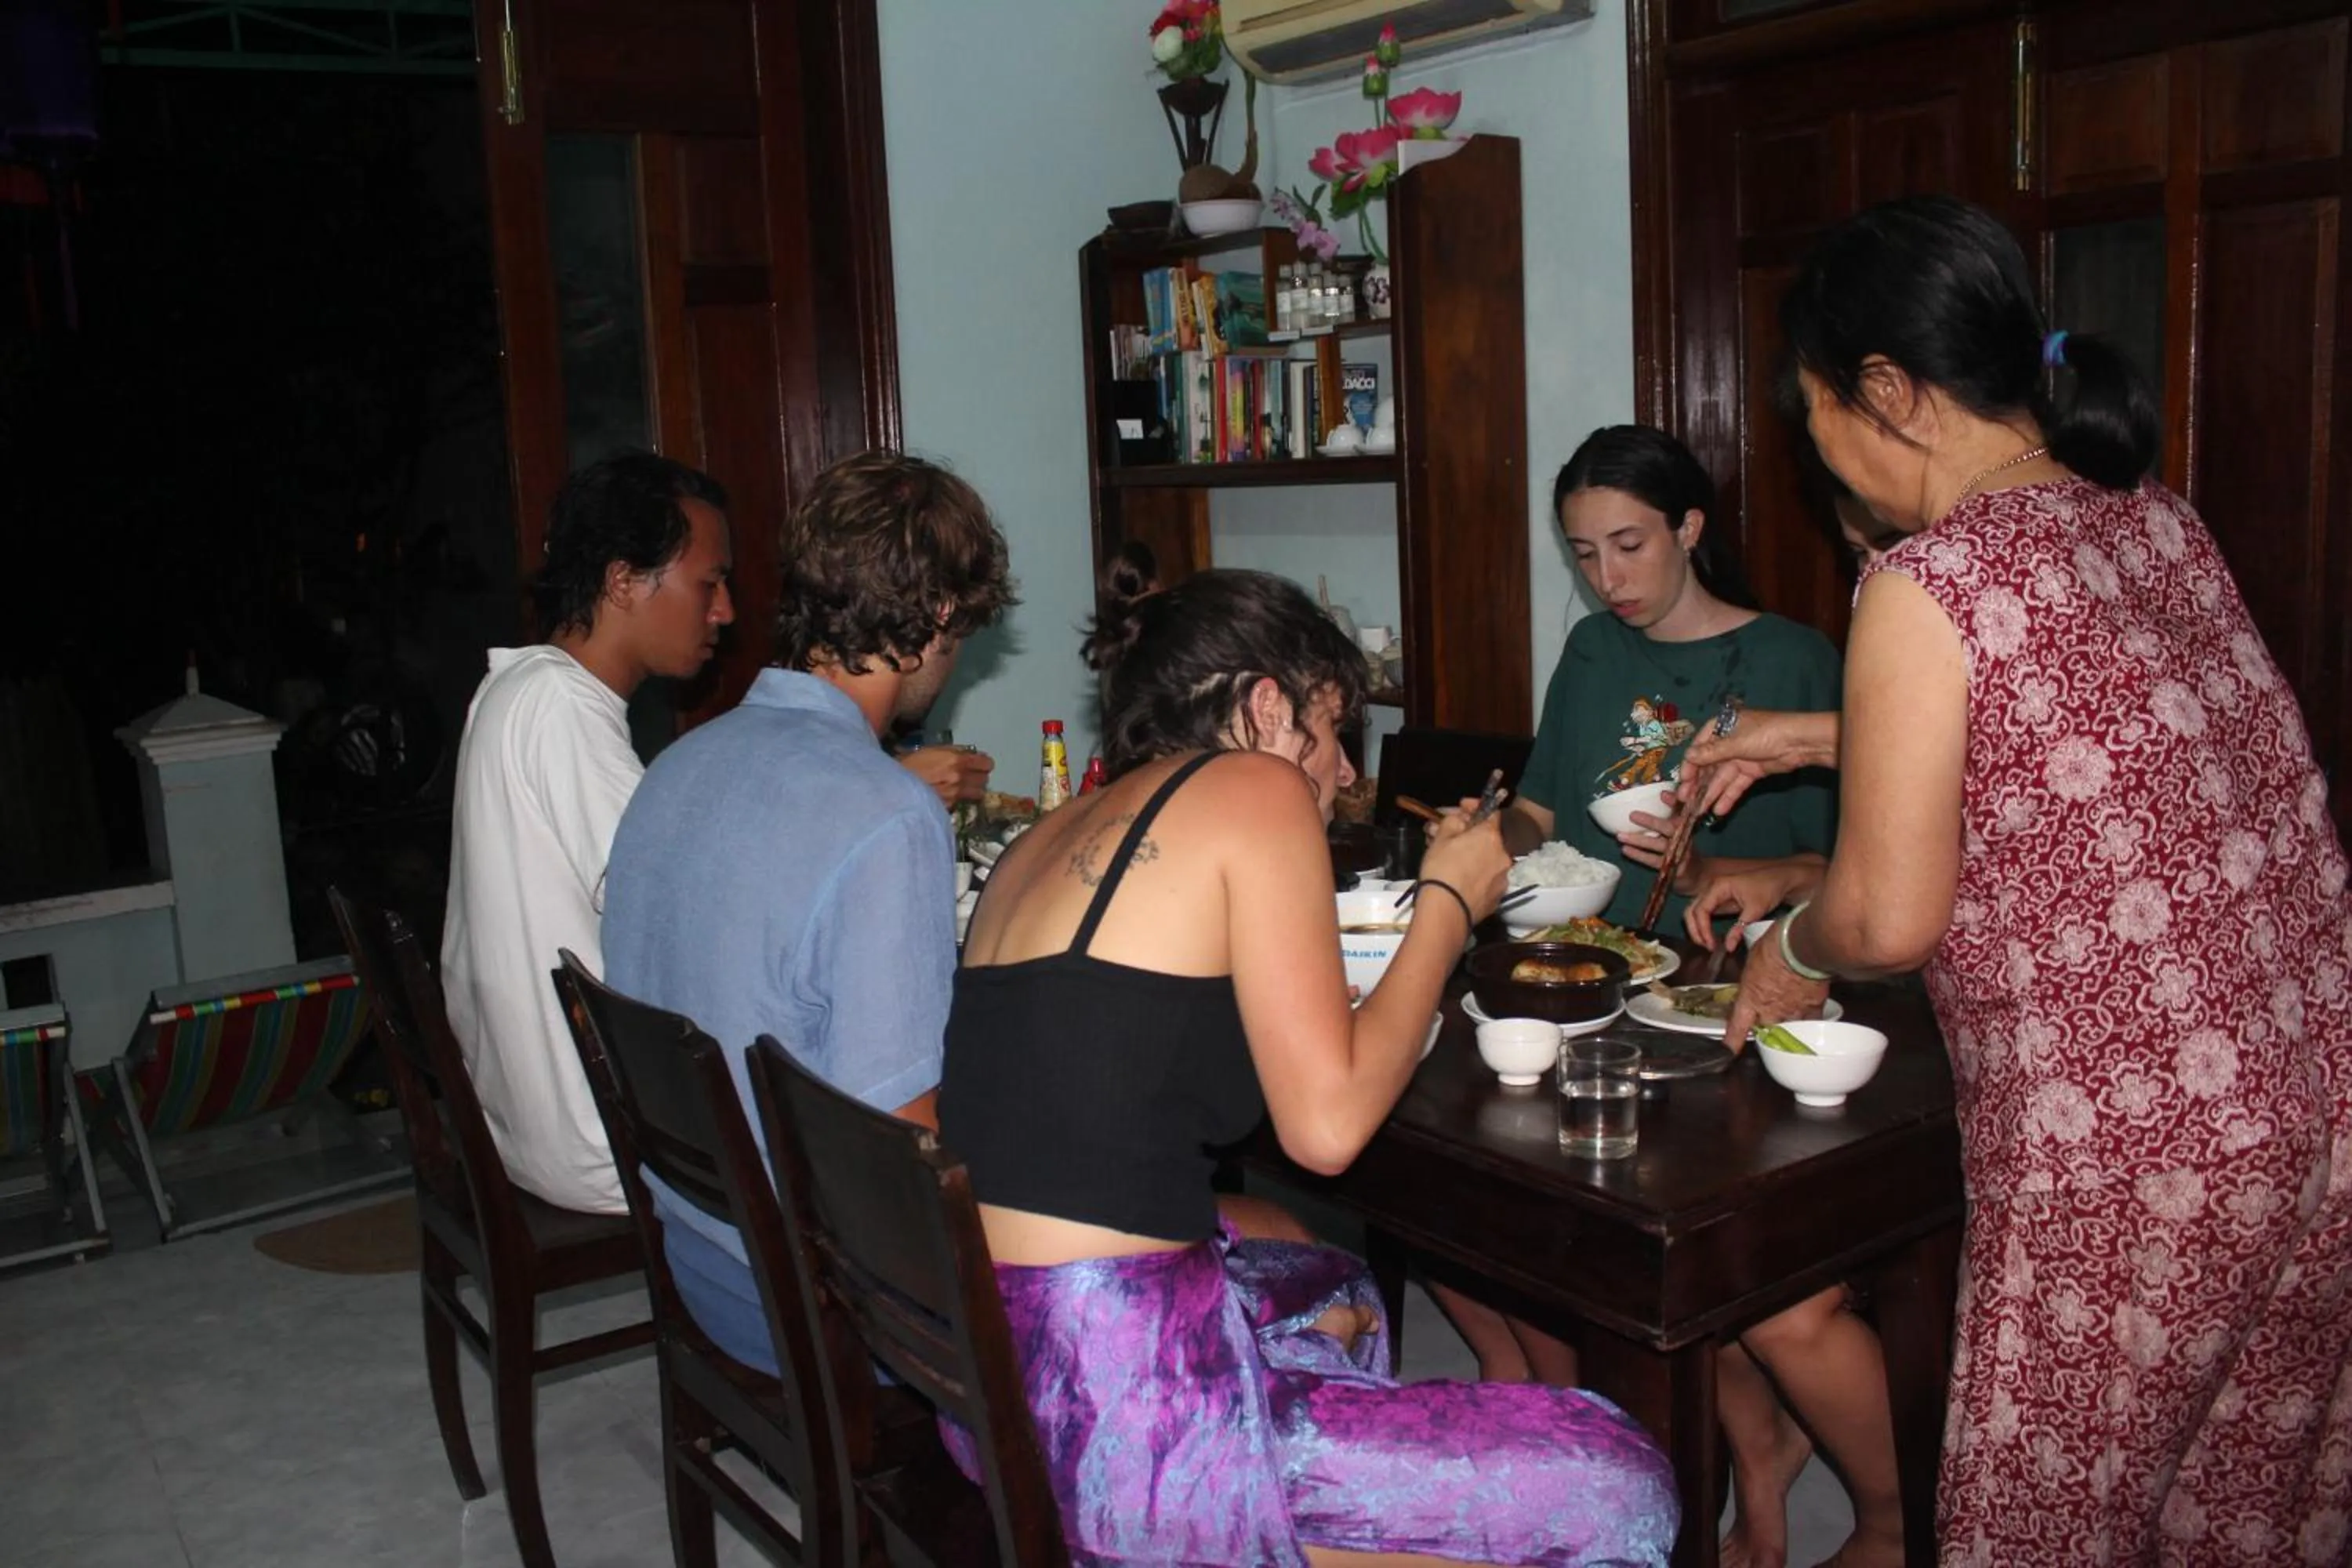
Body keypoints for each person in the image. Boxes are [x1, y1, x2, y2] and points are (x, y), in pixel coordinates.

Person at [1719, 194, 2352, 1564]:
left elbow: (1885, 915)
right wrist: (1835, 732)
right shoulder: (2151, 518)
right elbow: (2091, 732)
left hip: (2134, 1156)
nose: (1813, 442)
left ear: (1885, 391)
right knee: (2232, 1516)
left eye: (1814, 410)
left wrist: (1796, 945)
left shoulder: (1926, 580)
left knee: (2049, 1525)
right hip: (2313, 1102)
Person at [937, 568, 1679, 1567]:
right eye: (1334, 735)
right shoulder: (1253, 785)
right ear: (1264, 705)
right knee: (1621, 1480)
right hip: (1126, 1414)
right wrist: (1448, 902)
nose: (1339, 774)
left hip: (989, 1362)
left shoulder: (1052, 832)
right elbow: (1325, 1130)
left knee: (1336, 1282)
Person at [600, 449, 1014, 1371]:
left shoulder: (678, 765)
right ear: (942, 613)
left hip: (698, 1257)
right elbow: (898, 1150)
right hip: (818, 1309)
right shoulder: (889, 812)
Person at [441, 452, 734, 1214]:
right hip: (598, 1133)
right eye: (708, 583)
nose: (725, 610)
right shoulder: (560, 710)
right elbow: (679, 911)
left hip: (519, 1110)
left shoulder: (514, 686)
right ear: (623, 579)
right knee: (861, 1120)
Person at [1501, 426, 1841, 935]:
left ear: (1689, 529)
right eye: (1586, 554)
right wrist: (1488, 836)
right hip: (1583, 954)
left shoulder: (1794, 661)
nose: (1607, 580)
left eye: (1630, 546)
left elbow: (1831, 875)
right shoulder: (1591, 647)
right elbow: (1537, 814)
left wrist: (1701, 873)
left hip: (1716, 969)